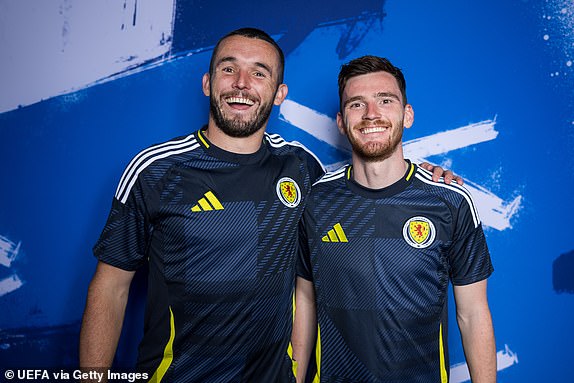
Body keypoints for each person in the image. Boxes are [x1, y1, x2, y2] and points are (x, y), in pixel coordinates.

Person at [80, 28, 459, 382]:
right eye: (229, 69)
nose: (241, 84)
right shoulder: (156, 171)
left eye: (259, 74)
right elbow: (110, 288)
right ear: (208, 83)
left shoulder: (301, 167)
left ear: (279, 93)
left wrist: (425, 178)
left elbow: (369, 190)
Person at [293, 56, 496, 383]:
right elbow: (304, 300)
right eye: (357, 104)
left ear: (407, 115)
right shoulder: (314, 201)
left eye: (385, 100)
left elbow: (472, 314)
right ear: (341, 122)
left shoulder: (450, 201)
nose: (371, 114)